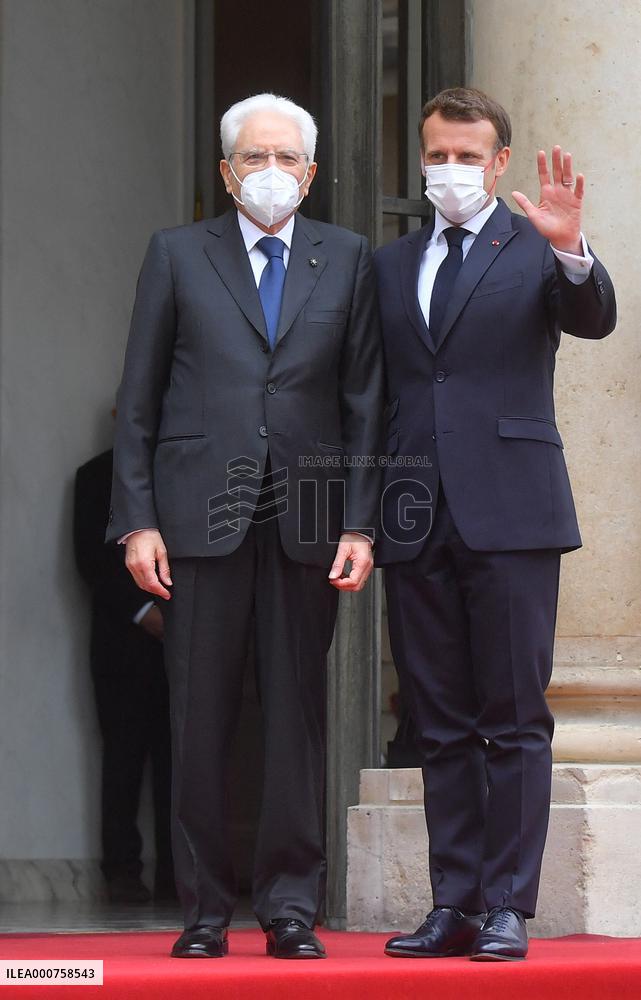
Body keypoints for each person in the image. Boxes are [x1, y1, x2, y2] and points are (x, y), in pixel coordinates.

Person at [106, 93, 383, 959]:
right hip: (199, 517)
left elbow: (366, 402)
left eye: (286, 159)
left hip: (306, 517)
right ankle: (203, 910)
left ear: (310, 171)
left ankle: (292, 906)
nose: (271, 174)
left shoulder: (347, 258)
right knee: (199, 712)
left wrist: (362, 524)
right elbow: (138, 398)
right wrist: (137, 520)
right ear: (227, 172)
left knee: (296, 715)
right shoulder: (177, 254)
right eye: (252, 159)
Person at [374, 88, 616, 962]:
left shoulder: (535, 246)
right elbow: (383, 392)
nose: (451, 170)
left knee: (513, 717)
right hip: (414, 514)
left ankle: (510, 905)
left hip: (511, 511)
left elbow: (593, 320)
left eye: (468, 156)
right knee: (437, 720)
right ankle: (455, 903)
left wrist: (575, 253)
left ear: (498, 161)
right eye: (438, 154)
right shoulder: (391, 264)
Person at [74, 445, 175, 904]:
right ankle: (121, 873)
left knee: (182, 762)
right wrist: (142, 613)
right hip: (122, 647)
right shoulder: (95, 475)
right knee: (123, 760)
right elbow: (91, 559)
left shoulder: (180, 470)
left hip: (181, 641)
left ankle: (180, 876)